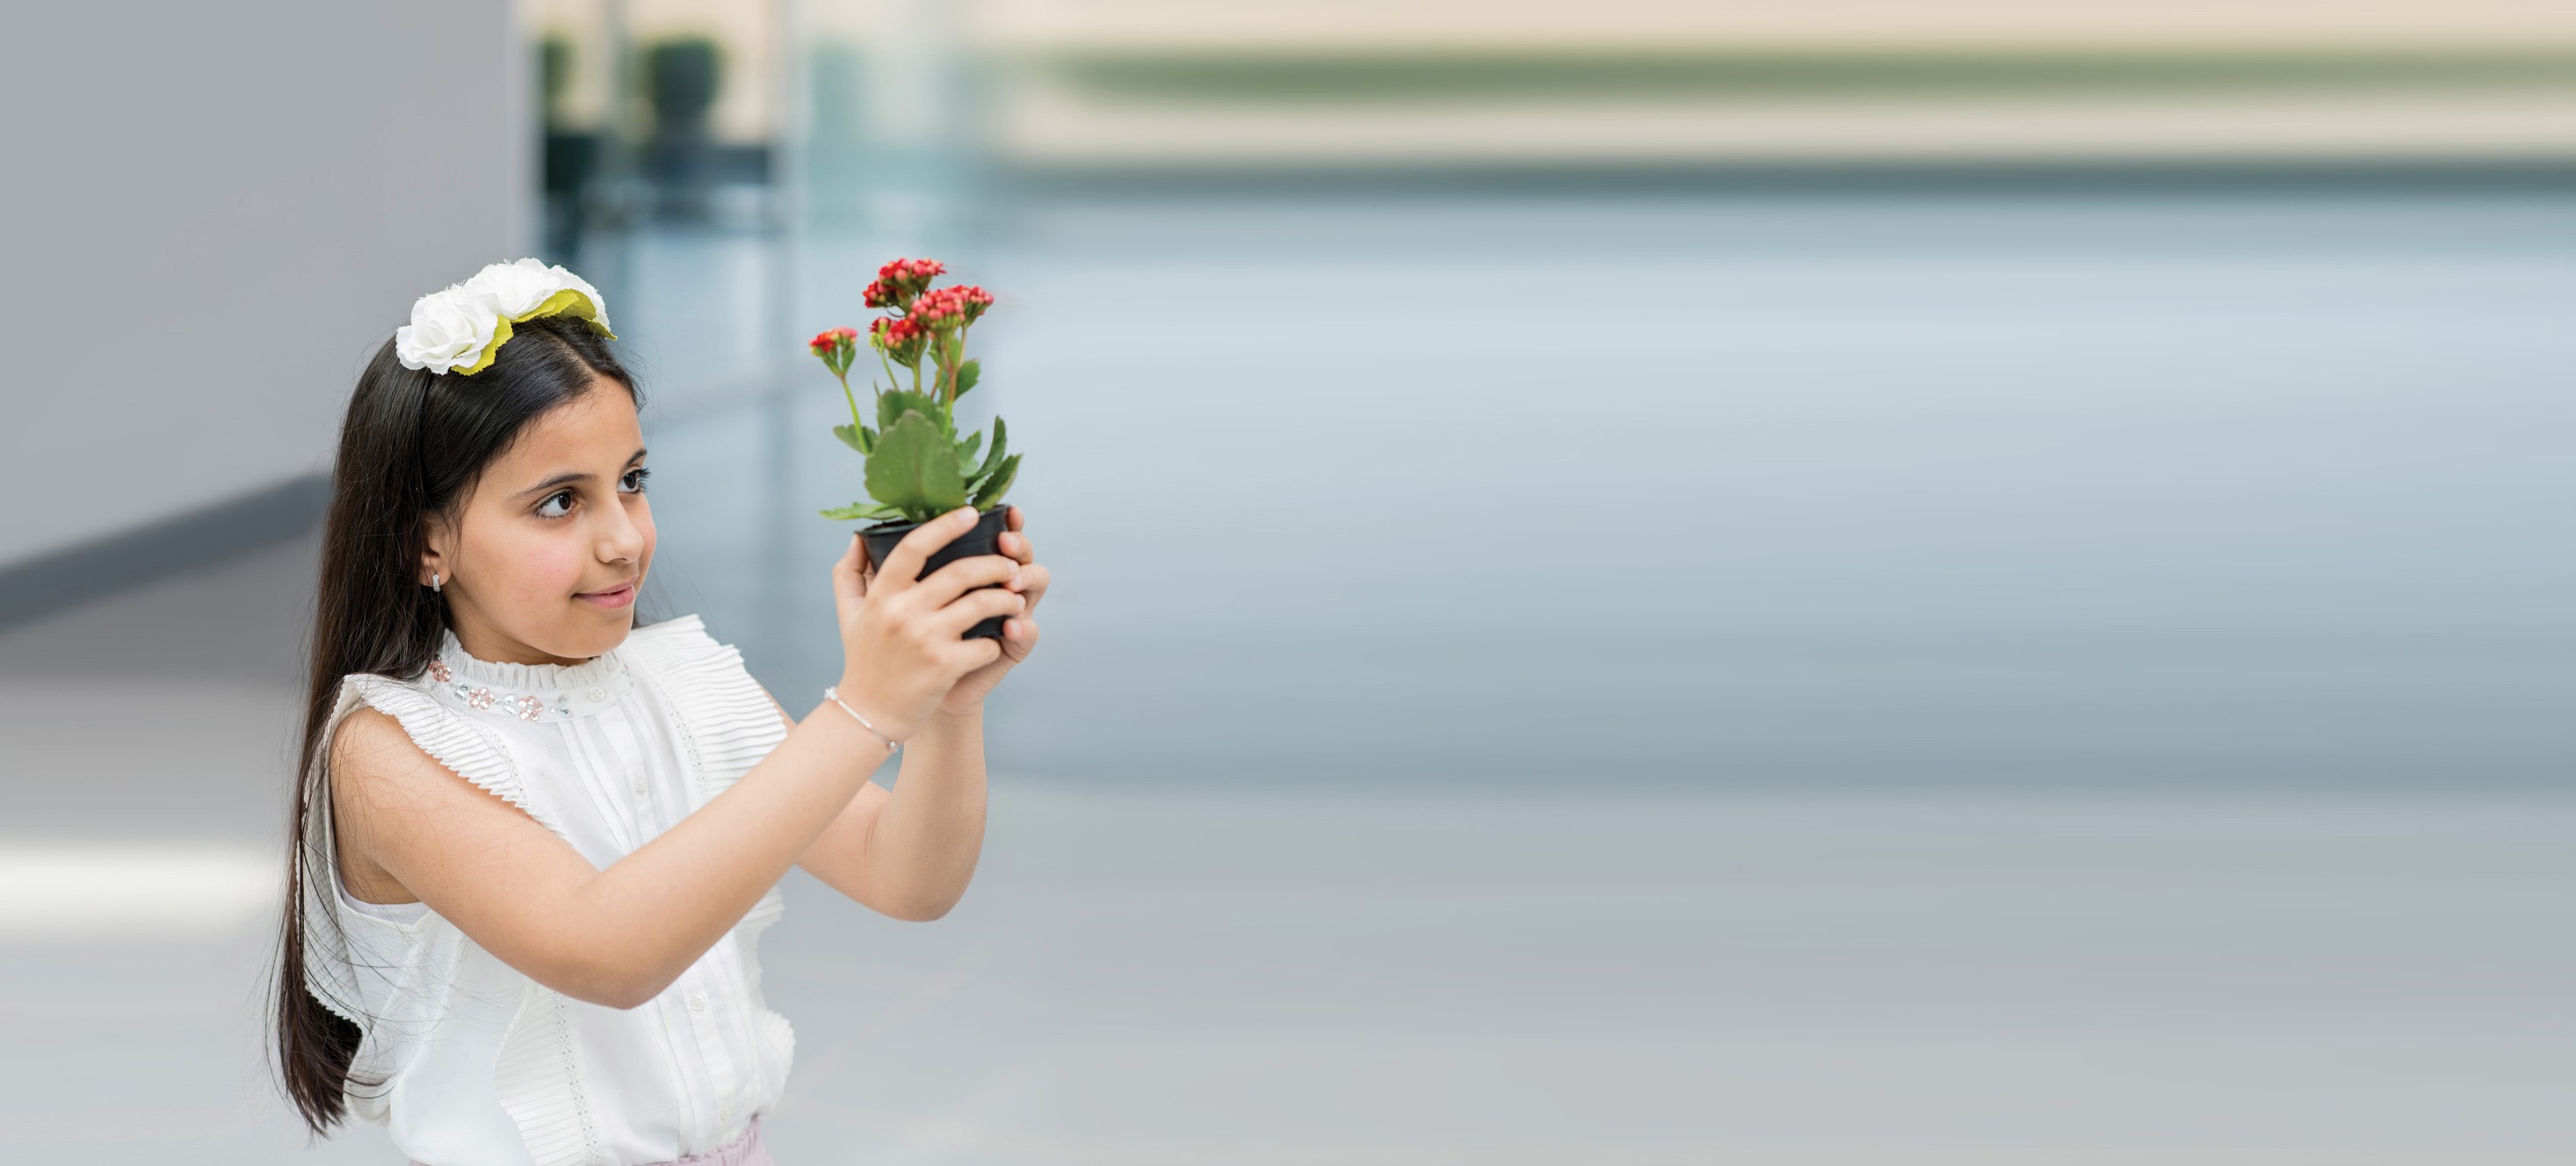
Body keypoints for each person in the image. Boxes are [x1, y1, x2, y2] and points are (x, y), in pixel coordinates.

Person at [268, 258, 1048, 1165]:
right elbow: (607, 948)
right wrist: (864, 706)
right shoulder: (387, 749)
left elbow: (906, 878)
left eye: (631, 481)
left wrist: (946, 710)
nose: (622, 539)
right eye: (559, 503)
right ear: (427, 541)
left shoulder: (687, 680)